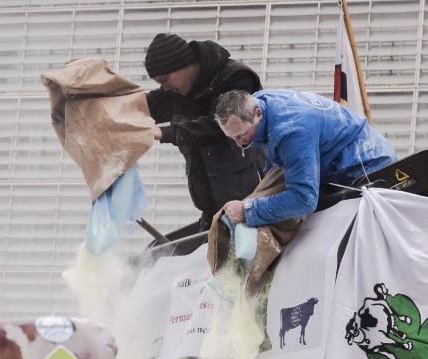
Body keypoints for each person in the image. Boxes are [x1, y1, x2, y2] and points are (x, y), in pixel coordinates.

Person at [213, 89, 396, 227]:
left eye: (241, 135)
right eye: (233, 138)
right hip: (349, 151)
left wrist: (248, 211)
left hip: (367, 165)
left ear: (257, 114)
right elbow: (276, 159)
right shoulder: (261, 101)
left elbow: (303, 200)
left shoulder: (291, 130)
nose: (239, 144)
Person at [144, 33, 265, 230]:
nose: (164, 87)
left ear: (183, 63)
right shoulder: (179, 90)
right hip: (212, 210)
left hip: (249, 204)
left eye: (165, 79)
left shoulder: (236, 78)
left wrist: (166, 132)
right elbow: (144, 106)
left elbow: (220, 125)